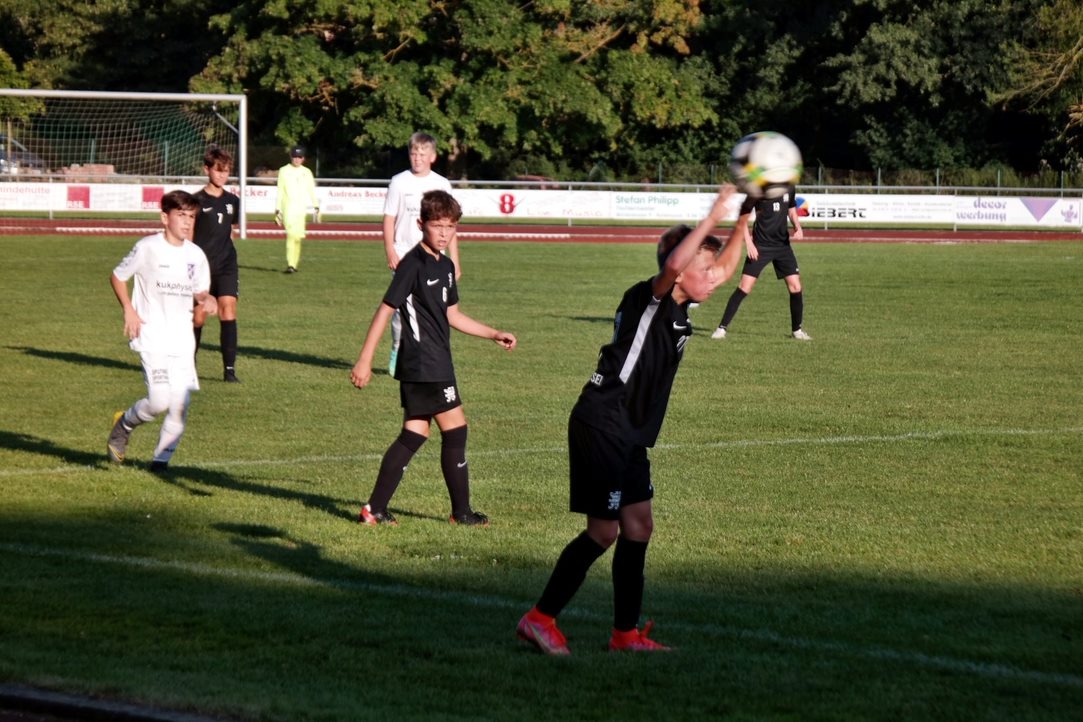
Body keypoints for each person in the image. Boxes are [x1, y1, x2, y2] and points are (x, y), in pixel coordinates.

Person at [516, 185, 746, 655]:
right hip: (604, 423)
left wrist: (744, 220)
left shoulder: (681, 302)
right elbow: (676, 266)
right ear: (679, 271)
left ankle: (625, 635)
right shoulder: (650, 297)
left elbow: (720, 269)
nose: (714, 278)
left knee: (639, 527)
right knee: (604, 532)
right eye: (703, 269)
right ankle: (539, 619)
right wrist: (714, 214)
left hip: (630, 431)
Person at [350, 190, 516, 527]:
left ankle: (374, 510)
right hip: (424, 362)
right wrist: (365, 359)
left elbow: (452, 315)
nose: (444, 233)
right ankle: (462, 513)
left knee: (414, 433)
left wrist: (493, 333)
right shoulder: (412, 264)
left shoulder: (446, 266)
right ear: (421, 224)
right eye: (437, 225)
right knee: (455, 431)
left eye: (450, 226)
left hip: (434, 361)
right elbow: (385, 310)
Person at [106, 190, 217, 471]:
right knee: (158, 402)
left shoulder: (196, 255)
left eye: (191, 217)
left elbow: (200, 291)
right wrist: (129, 309)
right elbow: (118, 277)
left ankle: (160, 465)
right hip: (152, 335)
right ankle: (124, 425)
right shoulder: (148, 247)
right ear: (165, 218)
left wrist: (208, 299)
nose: (187, 222)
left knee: (179, 405)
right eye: (181, 215)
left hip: (182, 340)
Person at [382, 132, 460, 375]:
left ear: (432, 157)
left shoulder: (442, 184)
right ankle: (397, 347)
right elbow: (389, 218)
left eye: (422, 154)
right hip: (405, 253)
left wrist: (455, 260)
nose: (417, 158)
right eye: (413, 153)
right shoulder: (399, 182)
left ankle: (427, 353)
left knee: (433, 307)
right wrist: (390, 250)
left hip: (434, 256)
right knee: (401, 307)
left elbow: (450, 224)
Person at [710, 183, 810, 340]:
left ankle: (797, 331)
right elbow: (742, 217)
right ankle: (721, 329)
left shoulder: (789, 186)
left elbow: (791, 210)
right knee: (745, 287)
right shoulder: (758, 189)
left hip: (783, 247)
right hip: (760, 247)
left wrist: (797, 226)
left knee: (796, 287)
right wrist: (749, 243)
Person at [192, 146, 242, 382]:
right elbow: (190, 235)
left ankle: (229, 371)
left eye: (226, 171)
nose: (222, 175)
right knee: (198, 317)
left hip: (226, 265)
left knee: (228, 310)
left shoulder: (233, 201)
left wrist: (227, 252)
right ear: (207, 169)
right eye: (218, 170)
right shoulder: (196, 201)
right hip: (202, 268)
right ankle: (189, 365)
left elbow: (229, 230)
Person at [275, 145, 319, 273]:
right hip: (288, 208)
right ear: (291, 157)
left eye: (299, 157)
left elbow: (311, 190)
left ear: (303, 158)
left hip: (300, 209)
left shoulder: (307, 172)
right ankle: (290, 264)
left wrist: (316, 205)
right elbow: (280, 191)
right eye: (295, 156)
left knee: (298, 238)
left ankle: (294, 265)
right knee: (291, 234)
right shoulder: (283, 170)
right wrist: (277, 209)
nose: (297, 159)